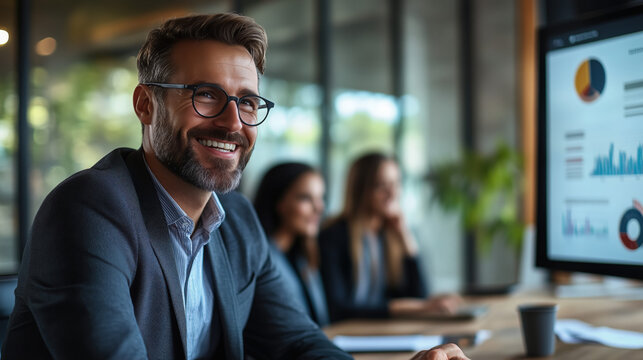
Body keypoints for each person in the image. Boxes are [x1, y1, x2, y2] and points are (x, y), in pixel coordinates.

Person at [1, 13, 468, 360]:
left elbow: (296, 345)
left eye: (247, 101)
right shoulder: (90, 209)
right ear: (146, 104)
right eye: (205, 94)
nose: (232, 122)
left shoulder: (238, 220)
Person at [319, 152, 462, 323]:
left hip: (384, 330)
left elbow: (419, 295)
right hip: (347, 332)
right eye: (381, 186)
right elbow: (339, 308)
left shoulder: (388, 235)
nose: (392, 193)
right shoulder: (334, 235)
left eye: (396, 184)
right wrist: (414, 308)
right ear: (360, 190)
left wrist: (405, 236)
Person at [253, 162, 329, 327]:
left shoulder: (304, 256)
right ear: (278, 202)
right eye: (305, 198)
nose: (319, 208)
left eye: (321, 198)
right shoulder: (259, 259)